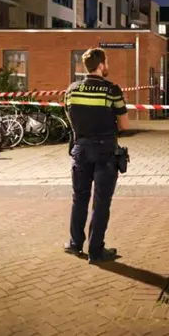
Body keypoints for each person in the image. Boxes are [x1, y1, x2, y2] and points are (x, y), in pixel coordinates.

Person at [63, 48, 130, 264]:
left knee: (79, 198)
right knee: (101, 202)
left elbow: (71, 118)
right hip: (104, 152)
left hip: (80, 150)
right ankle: (95, 251)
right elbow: (124, 124)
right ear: (101, 65)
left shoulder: (72, 90)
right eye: (106, 62)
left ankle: (75, 244)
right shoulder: (111, 90)